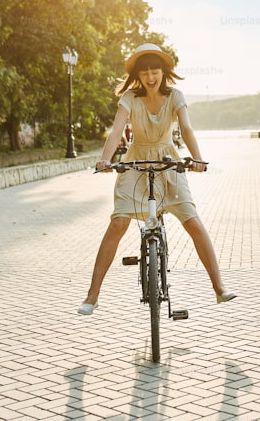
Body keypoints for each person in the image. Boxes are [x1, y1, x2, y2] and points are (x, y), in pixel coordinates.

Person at [78, 43, 235, 315]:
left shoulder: (176, 96)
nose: (151, 77)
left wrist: (197, 158)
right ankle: (92, 295)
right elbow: (116, 130)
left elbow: (186, 128)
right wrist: (105, 159)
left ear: (164, 72)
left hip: (168, 161)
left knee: (193, 221)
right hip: (135, 160)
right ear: (138, 76)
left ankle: (219, 288)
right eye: (146, 73)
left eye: (155, 72)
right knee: (118, 223)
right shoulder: (130, 97)